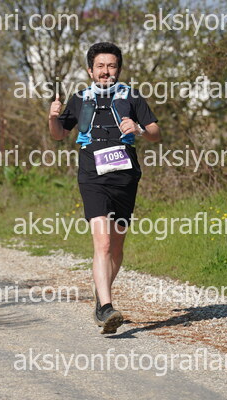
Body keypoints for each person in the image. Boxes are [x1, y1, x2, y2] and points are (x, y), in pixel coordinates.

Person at [48, 42, 161, 334]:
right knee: (104, 243)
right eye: (100, 66)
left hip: (125, 177)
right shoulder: (80, 98)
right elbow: (59, 134)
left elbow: (155, 133)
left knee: (117, 245)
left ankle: (102, 295)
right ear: (90, 70)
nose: (105, 71)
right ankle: (106, 308)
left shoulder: (131, 96)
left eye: (111, 66)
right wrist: (52, 117)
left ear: (118, 69)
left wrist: (138, 129)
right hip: (92, 176)